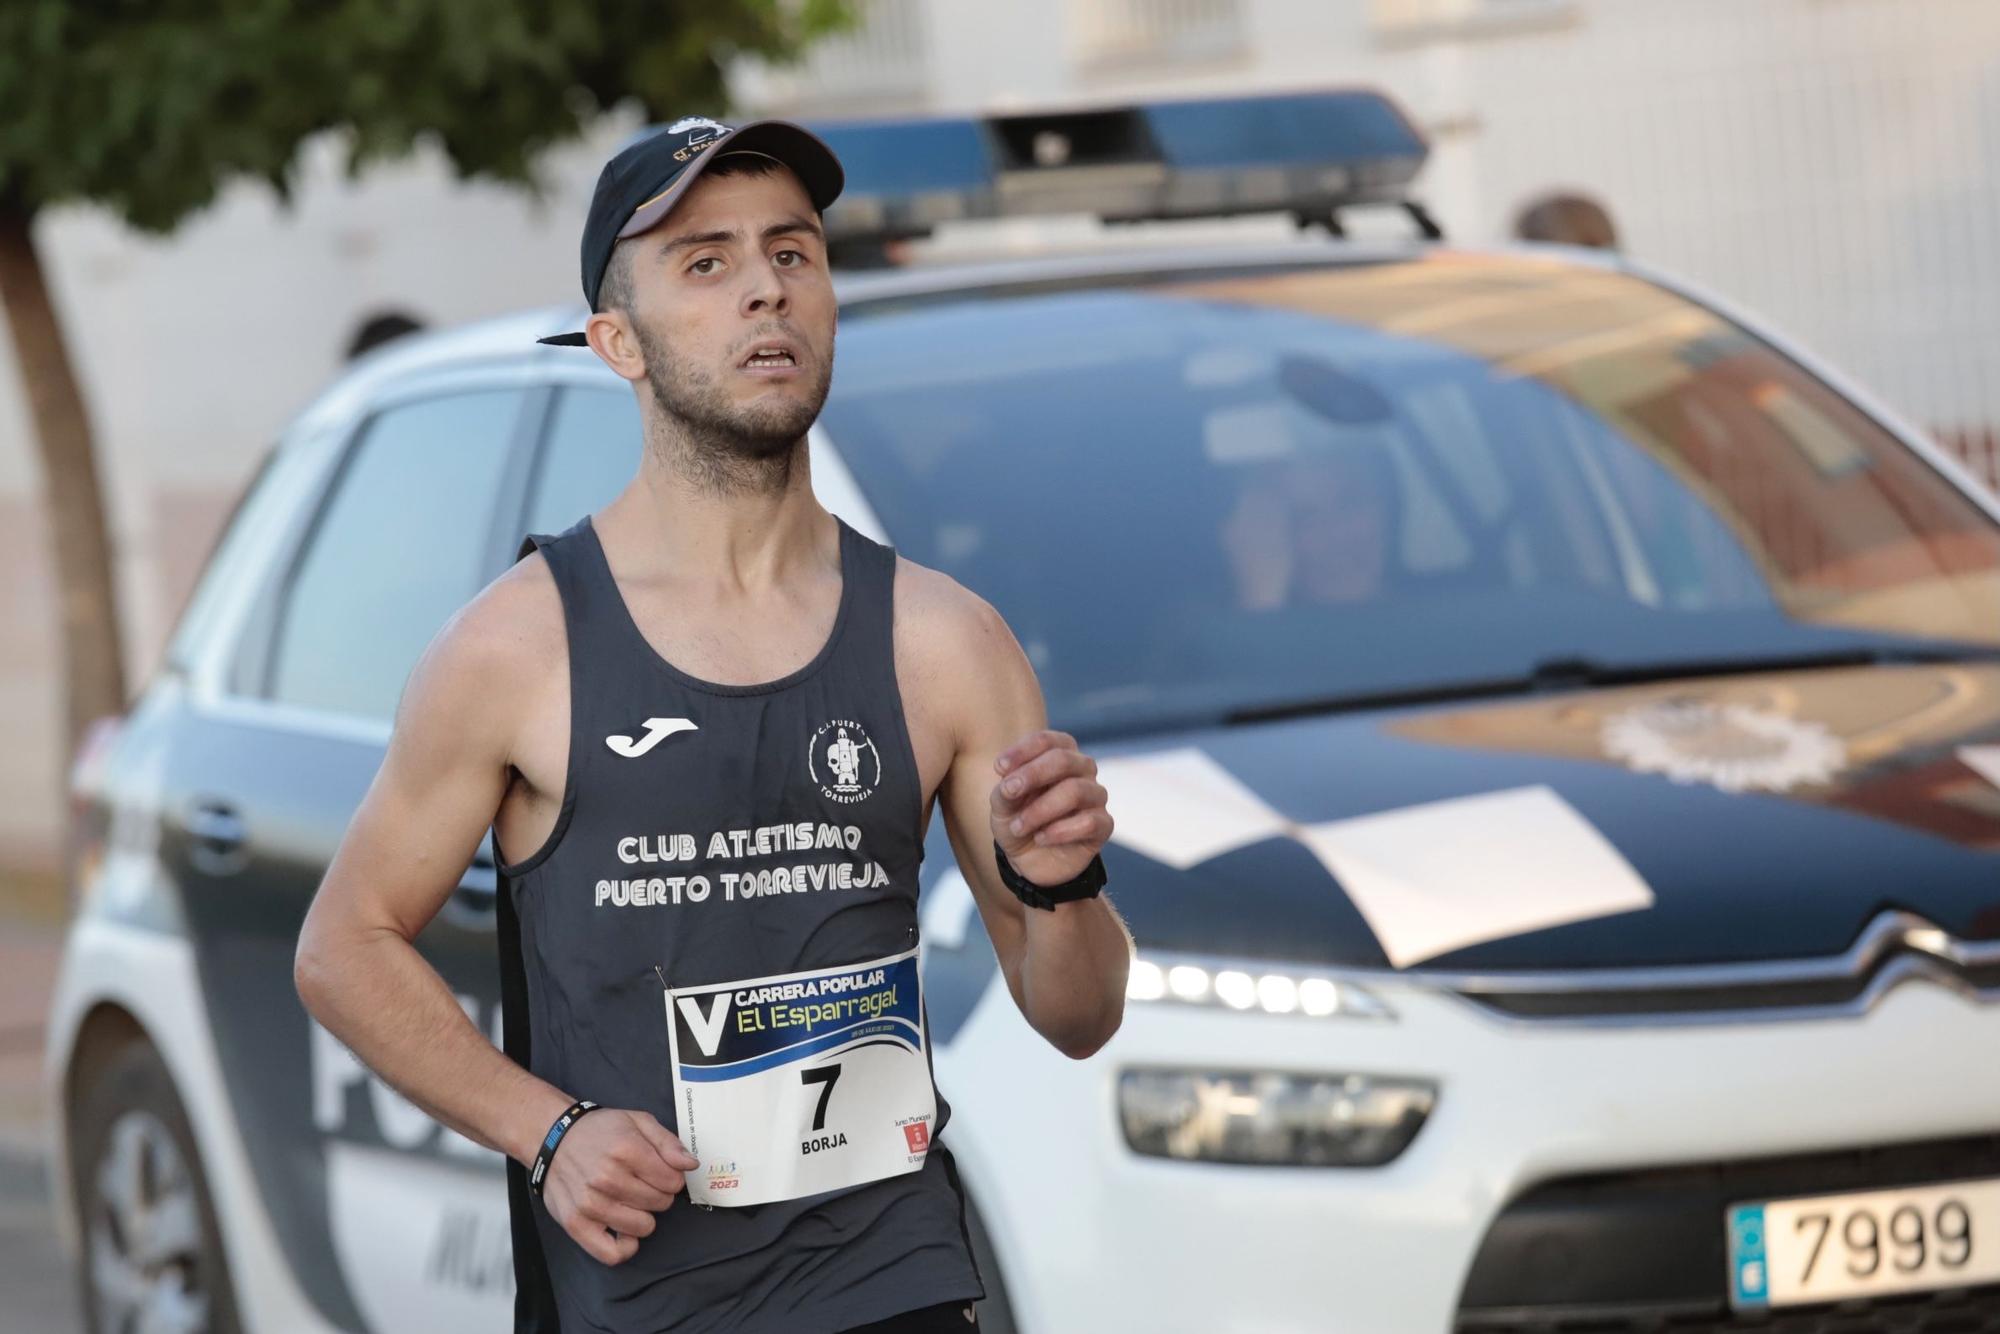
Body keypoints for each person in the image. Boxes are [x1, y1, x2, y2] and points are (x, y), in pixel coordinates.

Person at [294, 114, 1132, 1334]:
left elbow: (1077, 1014)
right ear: (617, 342)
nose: (765, 291)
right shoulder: (516, 649)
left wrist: (1064, 887)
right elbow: (344, 944)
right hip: (635, 1299)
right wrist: (552, 1129)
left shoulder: (942, 640)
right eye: (706, 263)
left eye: (791, 253)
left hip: (893, 1282)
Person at [1219, 442, 1404, 609]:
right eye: (1303, 516)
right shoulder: (1205, 640)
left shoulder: (1429, 626)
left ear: (1388, 511)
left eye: (1350, 503)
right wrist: (1260, 600)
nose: (1336, 534)